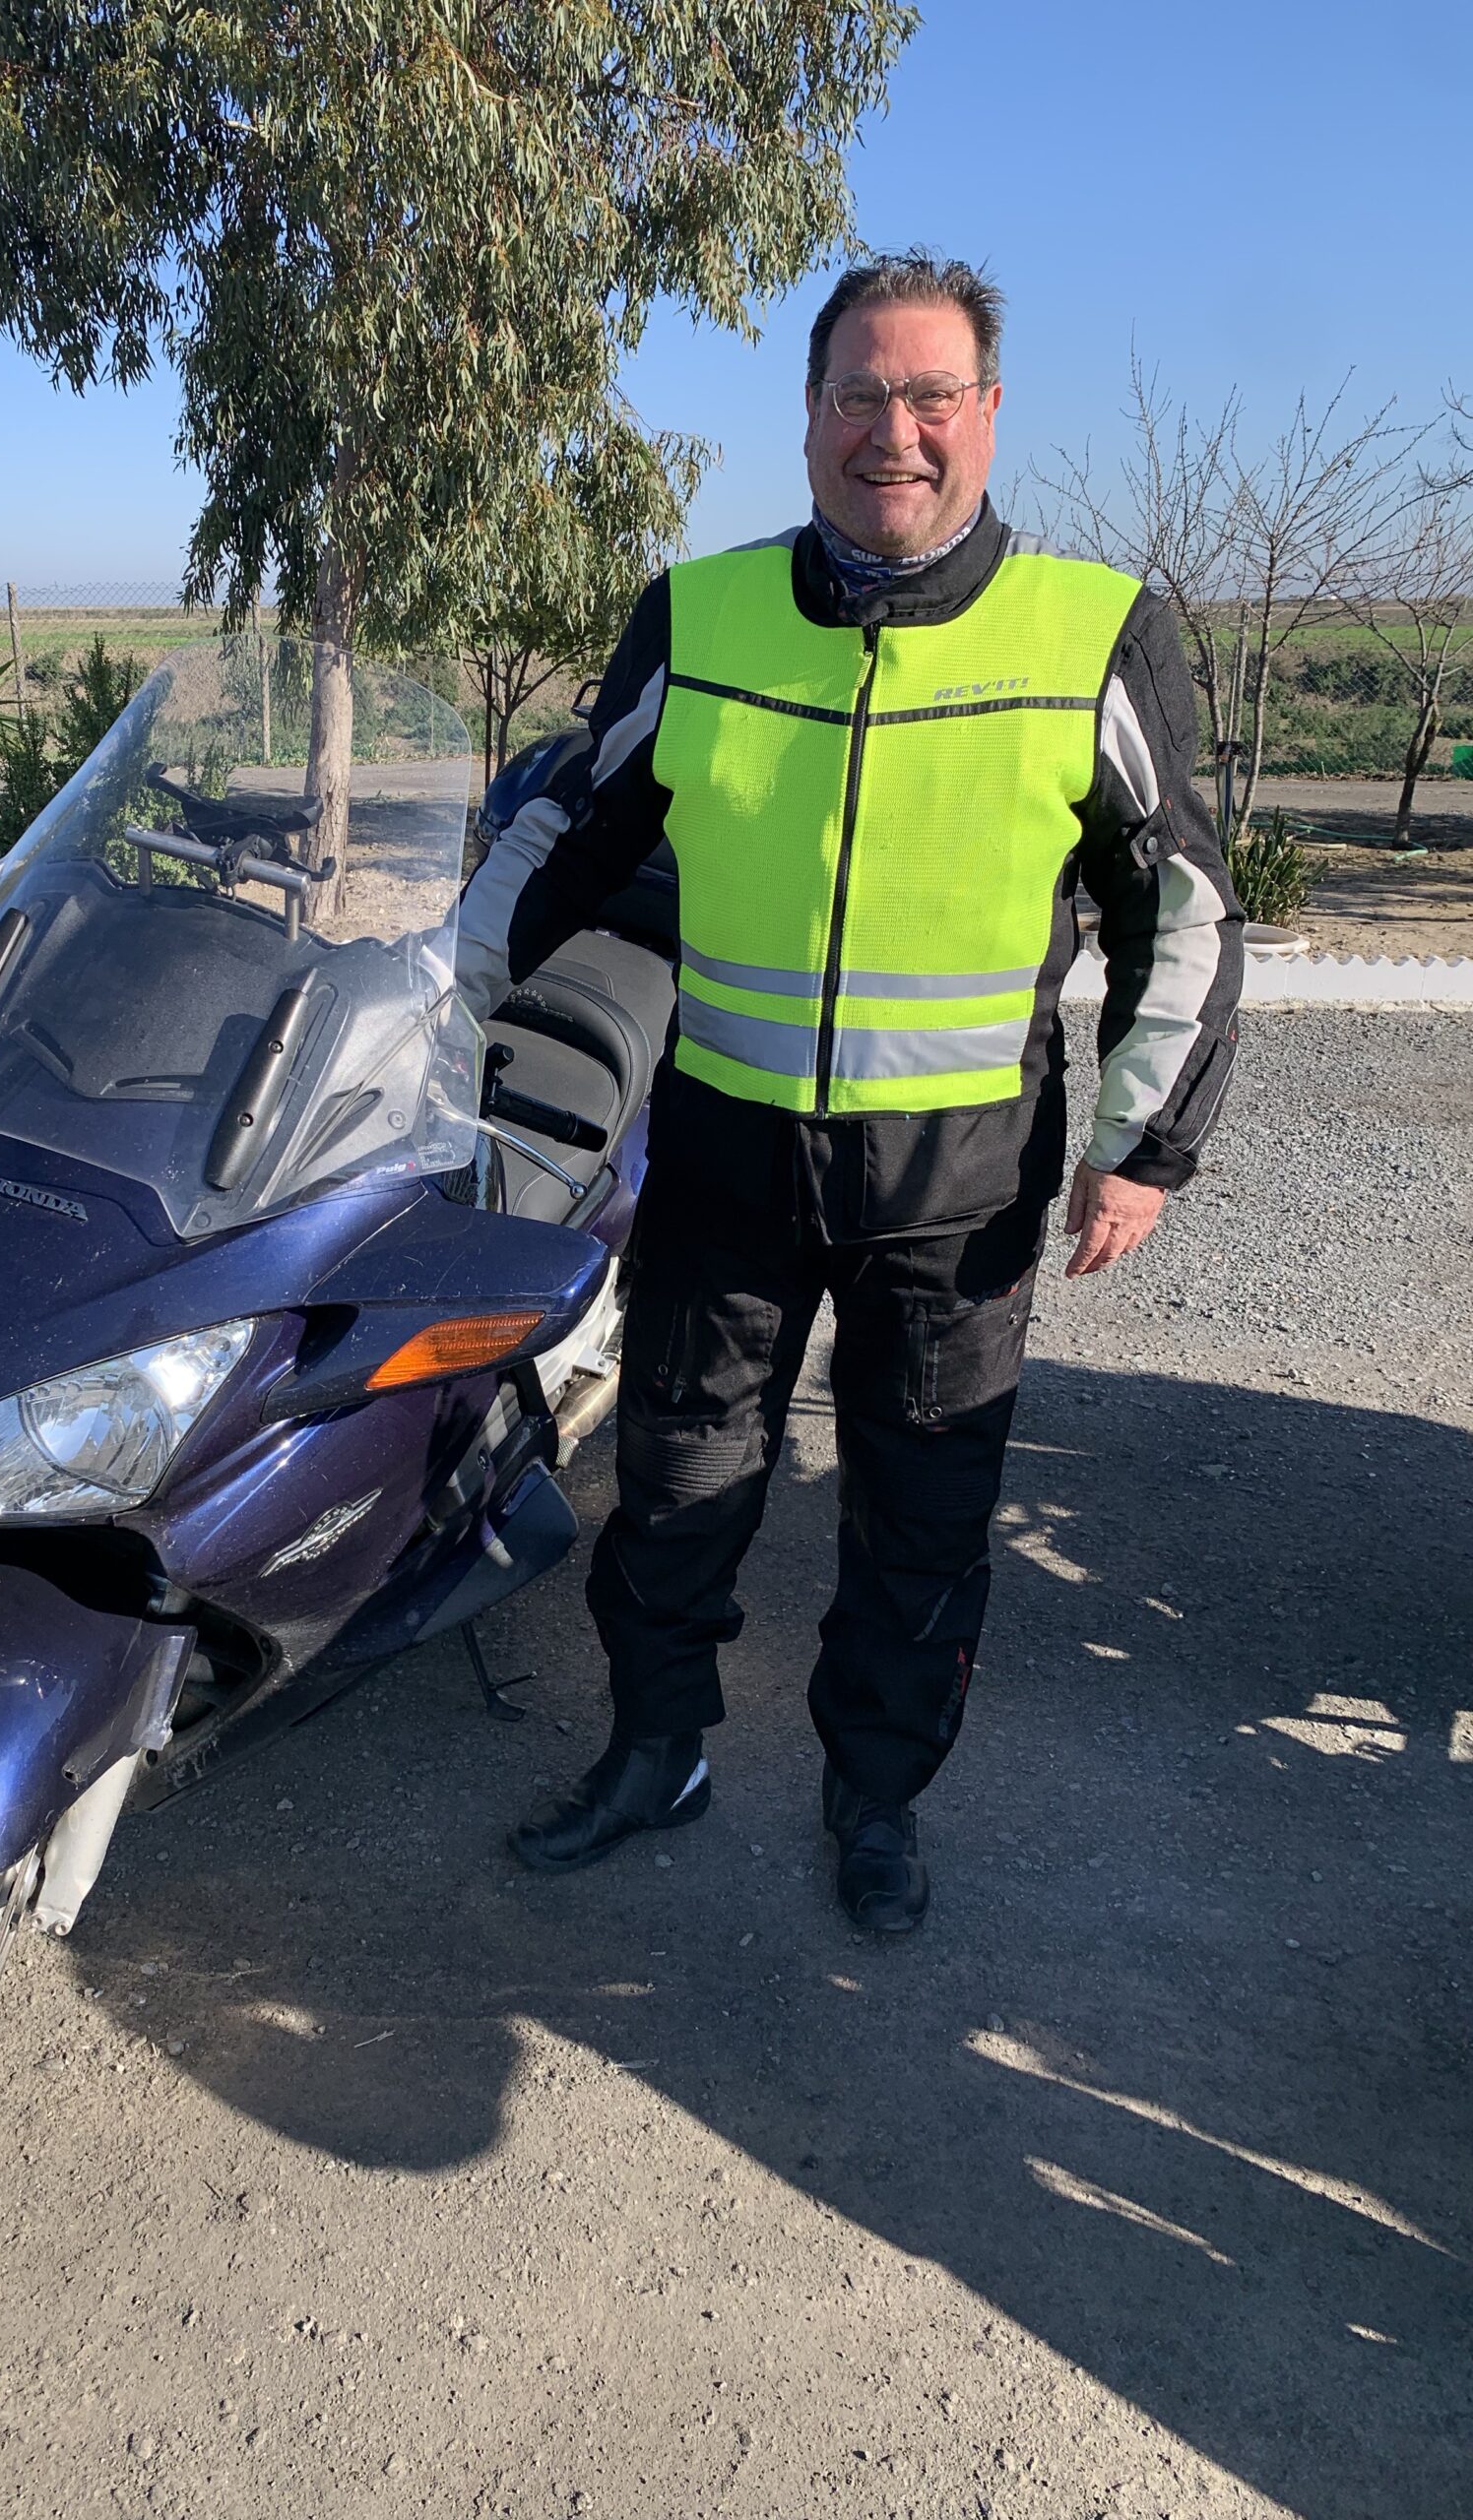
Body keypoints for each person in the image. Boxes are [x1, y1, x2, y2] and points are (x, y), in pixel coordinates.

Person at [452, 249, 1244, 1932]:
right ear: (810, 417)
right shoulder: (699, 614)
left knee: (919, 1522)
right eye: (862, 395)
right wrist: (449, 1011)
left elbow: (1178, 906)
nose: (897, 430)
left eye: (931, 395)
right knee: (675, 1487)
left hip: (961, 1188)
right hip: (726, 1158)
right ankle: (654, 1752)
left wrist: (1144, 1145)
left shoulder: (1094, 630)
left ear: (987, 415)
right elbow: (573, 830)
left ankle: (874, 1798)